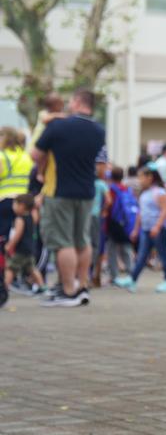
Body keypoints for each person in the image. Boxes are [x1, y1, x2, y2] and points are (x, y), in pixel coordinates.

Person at [32, 88, 108, 308]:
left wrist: (47, 122)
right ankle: (81, 286)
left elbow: (35, 154)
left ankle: (68, 290)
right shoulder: (98, 130)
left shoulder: (57, 126)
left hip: (59, 191)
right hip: (87, 192)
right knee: (82, 241)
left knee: (63, 242)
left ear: (76, 102)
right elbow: (100, 165)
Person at [115, 165, 166, 293]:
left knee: (163, 255)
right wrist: (136, 229)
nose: (139, 180)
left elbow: (164, 211)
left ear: (150, 177)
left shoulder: (160, 192)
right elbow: (140, 213)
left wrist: (157, 226)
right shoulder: (144, 193)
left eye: (141, 177)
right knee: (141, 256)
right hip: (146, 230)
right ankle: (132, 279)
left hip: (158, 230)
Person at [1, 127, 34, 254]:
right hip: (25, 202)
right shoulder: (26, 156)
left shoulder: (2, 156)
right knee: (21, 238)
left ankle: (5, 270)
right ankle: (18, 268)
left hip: (5, 201)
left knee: (3, 238)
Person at [4, 194, 45, 294]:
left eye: (15, 204)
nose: (13, 206)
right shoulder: (31, 217)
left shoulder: (19, 219)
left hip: (20, 250)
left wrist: (9, 245)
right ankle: (42, 287)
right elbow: (36, 215)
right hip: (30, 248)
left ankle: (4, 288)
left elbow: (17, 234)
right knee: (32, 269)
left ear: (21, 205)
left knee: (10, 268)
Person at [105, 167, 134, 283]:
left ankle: (114, 275)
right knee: (126, 247)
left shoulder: (111, 190)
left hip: (113, 222)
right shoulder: (126, 189)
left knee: (111, 248)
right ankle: (131, 273)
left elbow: (109, 206)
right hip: (125, 222)